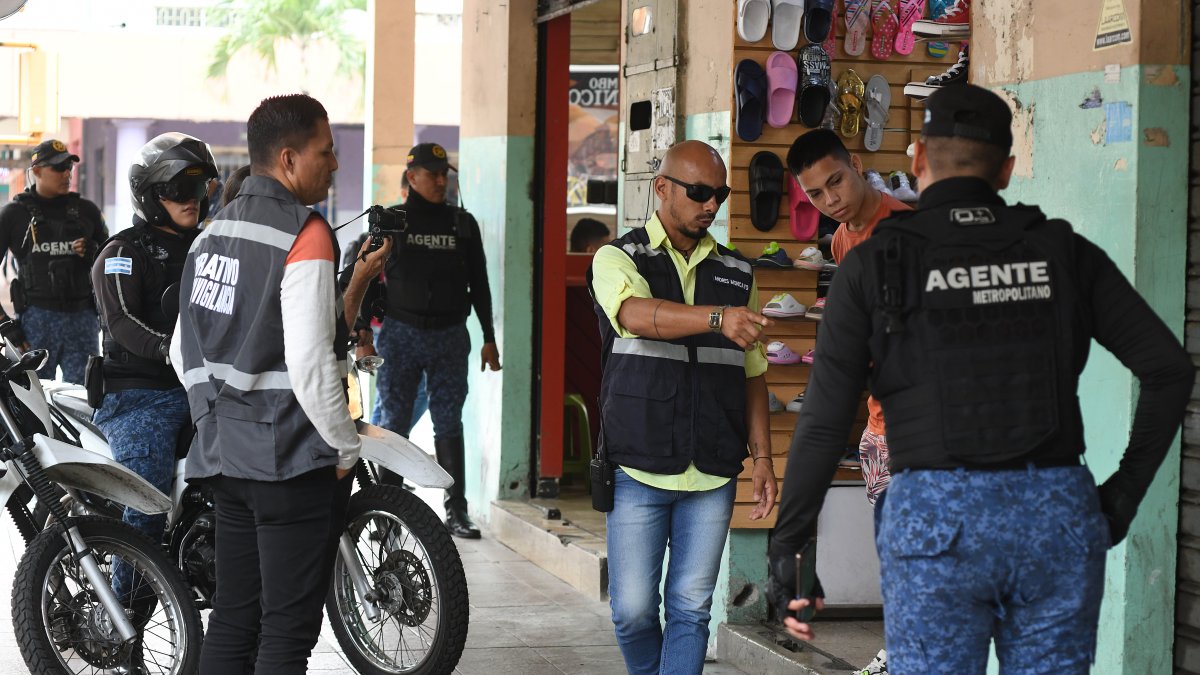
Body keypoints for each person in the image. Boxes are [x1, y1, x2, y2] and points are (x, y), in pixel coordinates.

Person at [767, 84, 1194, 673]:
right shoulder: (1064, 252)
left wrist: (789, 547)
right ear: (1008, 171)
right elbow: (1169, 370)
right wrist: (1121, 496)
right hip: (1053, 514)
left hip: (933, 520)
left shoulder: (872, 264)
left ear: (919, 159)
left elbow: (822, 421)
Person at [171, 93, 389, 674]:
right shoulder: (304, 232)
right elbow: (313, 363)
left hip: (227, 459)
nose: (335, 163)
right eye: (326, 151)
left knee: (234, 618)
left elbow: (180, 349)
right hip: (289, 463)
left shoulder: (211, 233)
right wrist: (345, 447)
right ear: (289, 159)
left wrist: (211, 417)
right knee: (287, 633)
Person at [588, 139, 777, 675]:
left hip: (712, 471)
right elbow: (634, 315)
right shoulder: (619, 258)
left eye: (719, 194)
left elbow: (753, 374)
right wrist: (716, 318)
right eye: (698, 192)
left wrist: (764, 458)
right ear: (662, 188)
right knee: (632, 611)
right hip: (638, 465)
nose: (710, 204)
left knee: (691, 610)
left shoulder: (738, 272)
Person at [787, 129, 911, 675]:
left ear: (857, 164)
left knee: (913, 554)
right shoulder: (840, 241)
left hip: (917, 427)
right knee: (893, 550)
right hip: (878, 428)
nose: (830, 199)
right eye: (815, 194)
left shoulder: (906, 229)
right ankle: (902, 652)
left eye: (835, 181)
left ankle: (907, 656)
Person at [362, 141, 500, 539]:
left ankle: (457, 511)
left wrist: (489, 337)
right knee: (394, 423)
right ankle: (386, 514)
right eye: (433, 175)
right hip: (401, 334)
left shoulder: (462, 223)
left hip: (450, 335)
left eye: (444, 175)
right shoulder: (393, 220)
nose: (441, 181)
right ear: (412, 176)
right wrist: (362, 333)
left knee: (448, 421)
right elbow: (365, 276)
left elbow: (480, 283)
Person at [92, 132, 216, 548]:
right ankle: (128, 588)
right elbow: (121, 321)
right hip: (138, 396)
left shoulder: (209, 247)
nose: (191, 199)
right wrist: (170, 348)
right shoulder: (121, 253)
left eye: (198, 188)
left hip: (201, 386)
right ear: (150, 195)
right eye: (178, 189)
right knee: (147, 501)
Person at [0, 138, 108, 381]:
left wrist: (94, 253)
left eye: (69, 167)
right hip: (35, 323)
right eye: (59, 168)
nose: (67, 174)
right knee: (31, 395)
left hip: (82, 319)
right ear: (37, 171)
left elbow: (114, 266)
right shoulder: (13, 215)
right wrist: (5, 325)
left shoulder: (88, 211)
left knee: (84, 396)